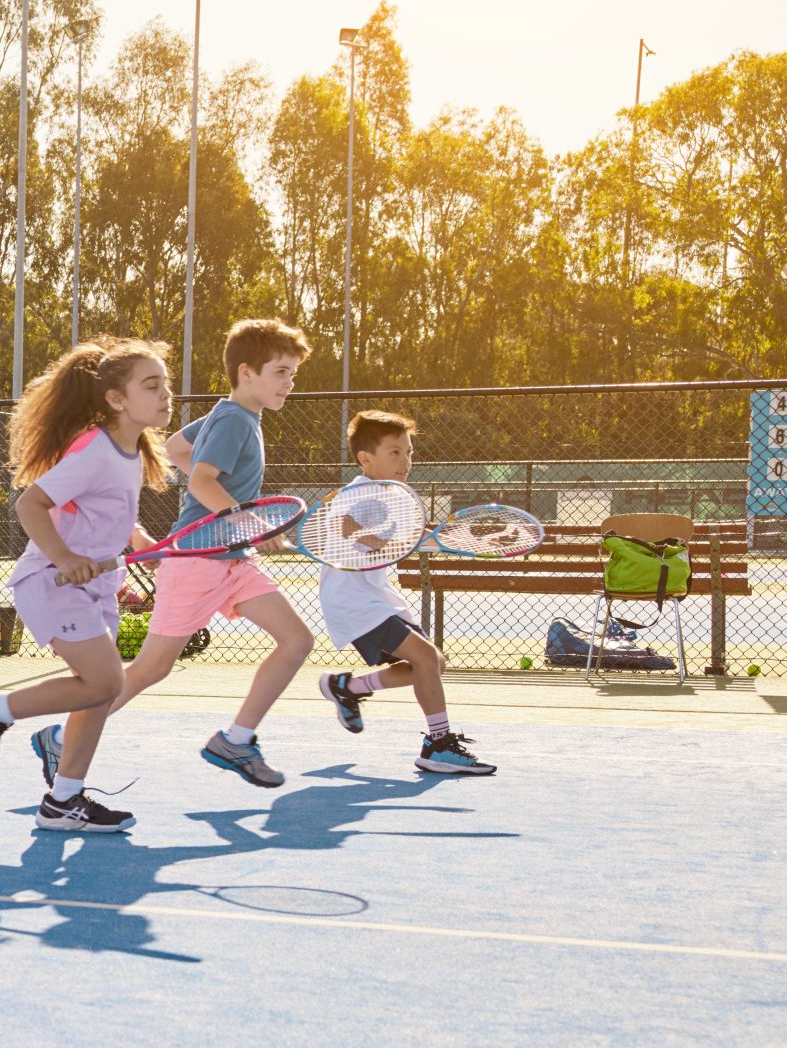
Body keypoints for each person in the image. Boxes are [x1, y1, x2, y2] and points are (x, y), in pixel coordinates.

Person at [31, 318, 319, 790]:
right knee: (150, 668)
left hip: (232, 558)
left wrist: (240, 526)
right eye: (281, 372)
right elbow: (203, 480)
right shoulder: (232, 421)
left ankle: (237, 739)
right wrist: (246, 521)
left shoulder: (233, 416)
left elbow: (176, 449)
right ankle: (60, 738)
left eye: (292, 373)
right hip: (198, 560)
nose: (290, 383)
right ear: (247, 372)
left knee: (296, 640)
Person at [0, 337, 174, 833]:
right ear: (116, 399)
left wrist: (141, 540)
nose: (166, 395)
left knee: (96, 696)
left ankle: (63, 802)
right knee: (106, 683)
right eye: (152, 385)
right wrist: (65, 556)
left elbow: (106, 512)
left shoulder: (131, 451)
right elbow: (29, 505)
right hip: (51, 581)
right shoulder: (96, 450)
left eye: (166, 385)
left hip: (94, 587)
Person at [312, 411, 496, 774]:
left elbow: (403, 538)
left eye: (409, 452)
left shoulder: (394, 495)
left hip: (378, 598)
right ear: (366, 459)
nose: (406, 461)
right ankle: (438, 745)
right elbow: (341, 524)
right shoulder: (356, 493)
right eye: (394, 452)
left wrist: (454, 538)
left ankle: (348, 686)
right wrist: (380, 541)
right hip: (353, 601)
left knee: (431, 665)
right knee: (426, 659)